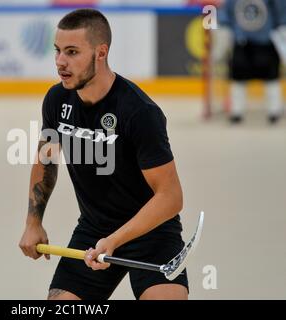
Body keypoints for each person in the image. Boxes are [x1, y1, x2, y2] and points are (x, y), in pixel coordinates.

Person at [19, 8, 188, 300]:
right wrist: (33, 222)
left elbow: (171, 197)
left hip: (153, 232)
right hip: (94, 230)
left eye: (72, 52)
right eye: (58, 51)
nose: (61, 62)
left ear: (101, 52)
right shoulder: (57, 100)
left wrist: (115, 240)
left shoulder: (139, 112)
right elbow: (46, 161)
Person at [218, 0, 286, 124]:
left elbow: (281, 13)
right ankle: (236, 112)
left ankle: (274, 111)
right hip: (242, 43)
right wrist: (225, 30)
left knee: (272, 78)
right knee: (238, 78)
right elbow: (225, 14)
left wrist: (281, 29)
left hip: (266, 43)